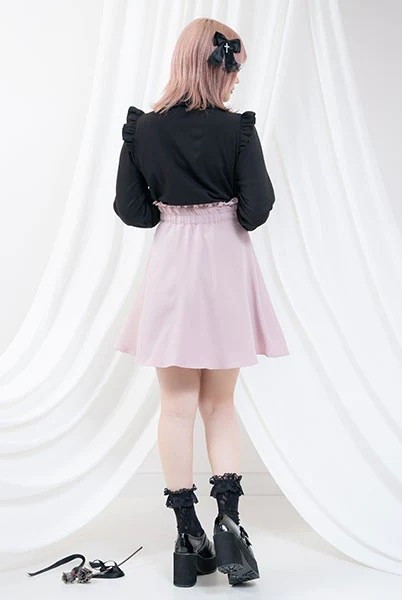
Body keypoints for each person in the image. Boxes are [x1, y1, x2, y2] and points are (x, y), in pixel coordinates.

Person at [112, 17, 289, 587]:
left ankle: (187, 534)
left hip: (173, 267)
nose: (236, 81)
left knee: (176, 406)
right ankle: (230, 526)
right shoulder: (238, 130)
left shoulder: (142, 130)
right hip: (225, 269)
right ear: (222, 68)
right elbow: (257, 209)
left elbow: (131, 210)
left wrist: (170, 208)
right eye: (235, 70)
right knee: (220, 404)